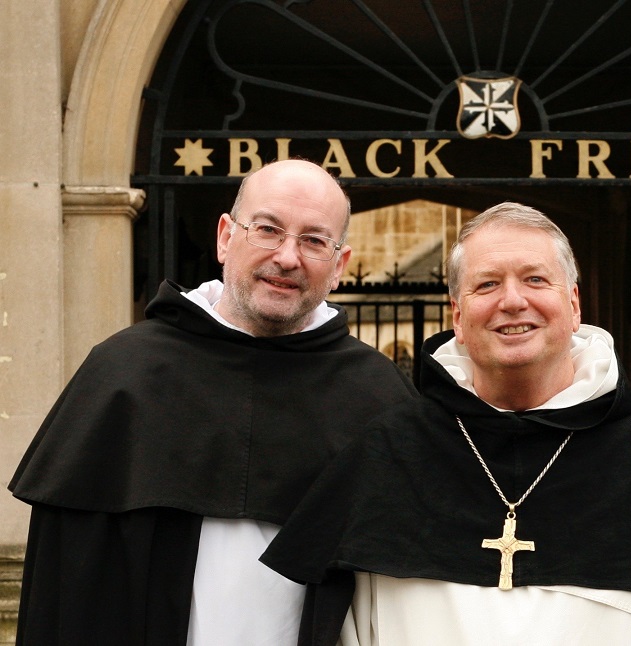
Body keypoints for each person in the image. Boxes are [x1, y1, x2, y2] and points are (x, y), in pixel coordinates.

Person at [260, 202, 631, 646]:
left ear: (573, 306)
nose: (512, 301)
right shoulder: (390, 452)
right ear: (457, 317)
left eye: (534, 279)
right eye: (487, 284)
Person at [9, 159, 418, 644]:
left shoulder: (378, 398)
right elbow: (68, 582)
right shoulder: (125, 373)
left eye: (314, 240)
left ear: (340, 265)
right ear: (226, 236)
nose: (288, 257)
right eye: (268, 229)